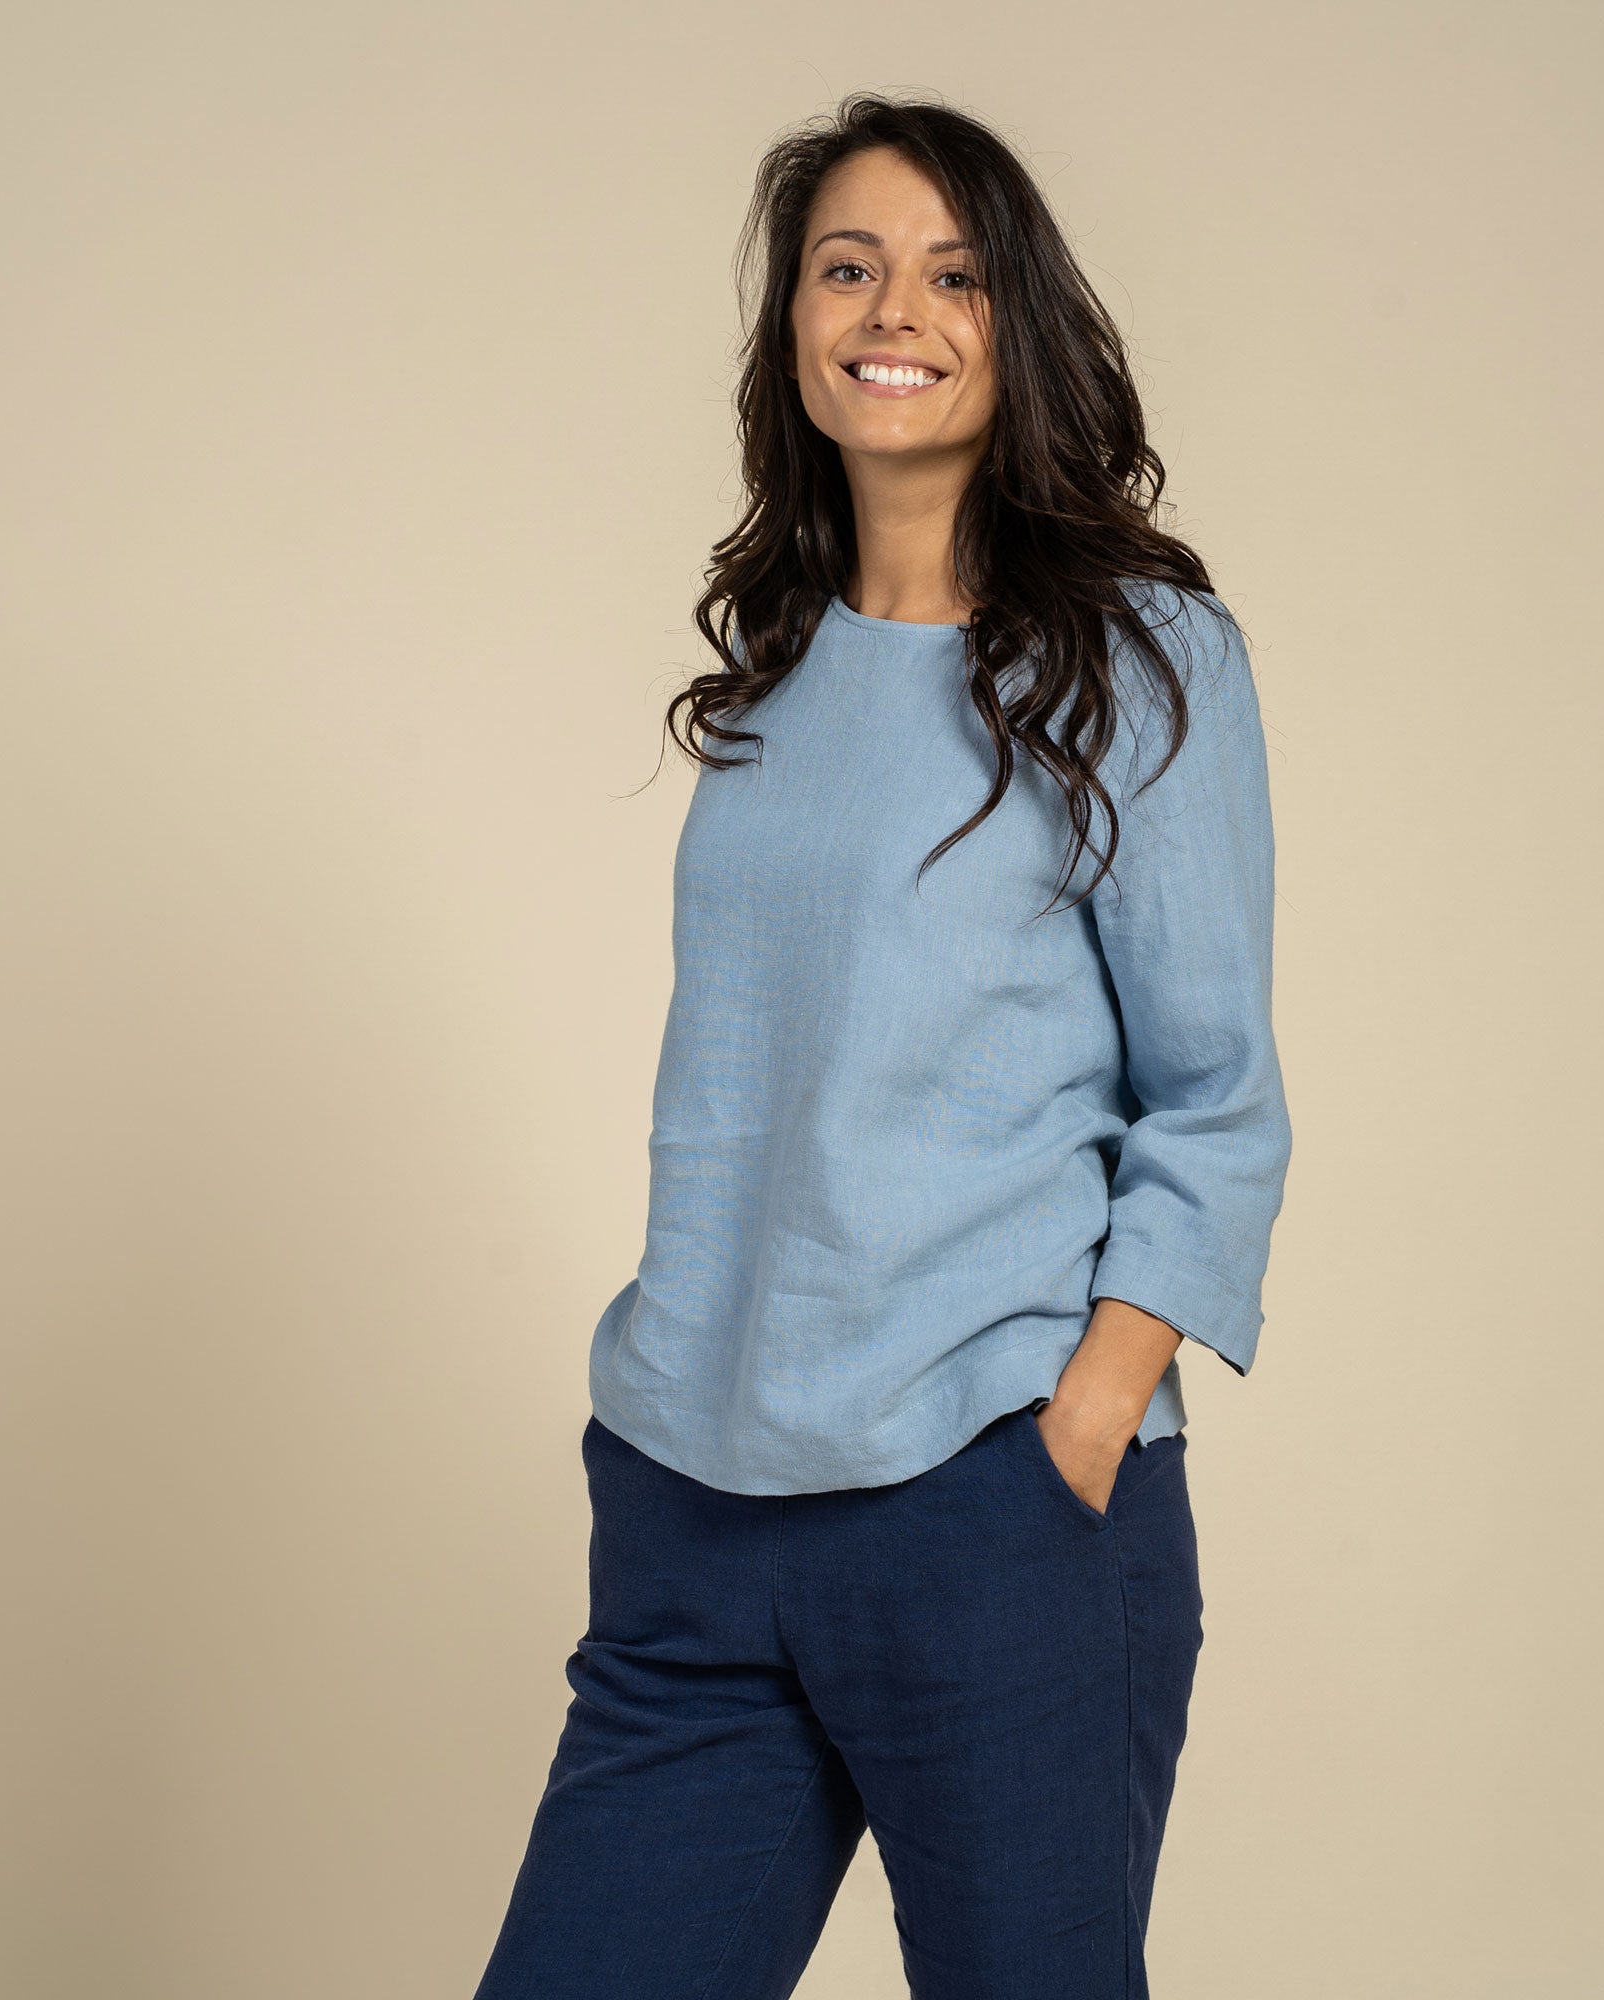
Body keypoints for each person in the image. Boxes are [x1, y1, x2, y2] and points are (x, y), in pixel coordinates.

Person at [471, 91, 1293, 2000]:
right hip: (696, 1502)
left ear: (1019, 325)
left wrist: (1076, 1432)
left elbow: (1216, 1100)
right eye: (847, 268)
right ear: (793, 327)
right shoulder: (772, 678)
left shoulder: (1139, 661)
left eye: (952, 274)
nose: (893, 310)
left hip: (990, 1508)